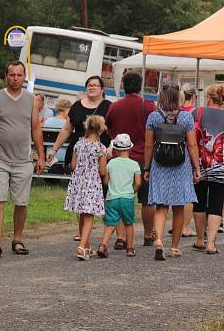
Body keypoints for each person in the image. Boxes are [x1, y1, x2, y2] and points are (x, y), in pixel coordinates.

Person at [0, 61, 45, 260]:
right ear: (6, 76)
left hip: (23, 158)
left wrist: (40, 155)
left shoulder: (31, 100)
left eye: (19, 75)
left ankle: (17, 239)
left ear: (24, 76)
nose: (15, 78)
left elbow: (35, 128)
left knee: (21, 202)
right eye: (12, 75)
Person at [48, 76, 112, 242]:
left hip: (101, 155)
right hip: (79, 154)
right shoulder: (76, 106)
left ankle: (104, 228)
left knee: (103, 193)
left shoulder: (108, 106)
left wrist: (111, 147)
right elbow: (67, 129)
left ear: (102, 89)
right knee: (81, 192)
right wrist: (54, 149)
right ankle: (82, 231)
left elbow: (115, 129)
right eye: (89, 85)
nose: (92, 87)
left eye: (95, 85)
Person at [144, 87, 200, 260]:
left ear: (162, 98)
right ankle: (174, 248)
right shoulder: (186, 117)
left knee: (160, 206)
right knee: (178, 208)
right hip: (180, 166)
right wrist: (196, 167)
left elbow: (148, 145)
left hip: (159, 165)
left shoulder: (153, 117)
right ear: (179, 99)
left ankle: (159, 240)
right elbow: (192, 145)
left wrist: (147, 168)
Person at [105, 72, 157, 247]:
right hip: (143, 158)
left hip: (119, 159)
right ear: (140, 86)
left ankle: (121, 238)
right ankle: (148, 235)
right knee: (147, 199)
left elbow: (109, 129)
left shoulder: (115, 106)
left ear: (123, 86)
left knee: (119, 196)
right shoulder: (148, 106)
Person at [191, 84, 224, 253]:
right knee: (216, 202)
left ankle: (199, 239)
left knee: (198, 201)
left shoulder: (196, 113)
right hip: (222, 164)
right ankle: (211, 244)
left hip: (199, 163)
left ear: (208, 97)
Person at [64, 115, 107, 260]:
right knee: (89, 216)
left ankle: (87, 245)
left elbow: (73, 165)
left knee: (82, 214)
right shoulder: (101, 148)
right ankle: (82, 248)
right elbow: (102, 171)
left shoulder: (79, 144)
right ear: (101, 129)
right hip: (92, 183)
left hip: (78, 182)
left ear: (87, 127)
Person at [96, 133, 141, 258]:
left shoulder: (111, 164)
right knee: (129, 223)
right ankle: (130, 248)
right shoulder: (134, 164)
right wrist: (132, 191)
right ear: (130, 148)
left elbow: (105, 181)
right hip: (127, 198)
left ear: (115, 149)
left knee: (110, 223)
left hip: (112, 198)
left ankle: (103, 245)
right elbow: (138, 183)